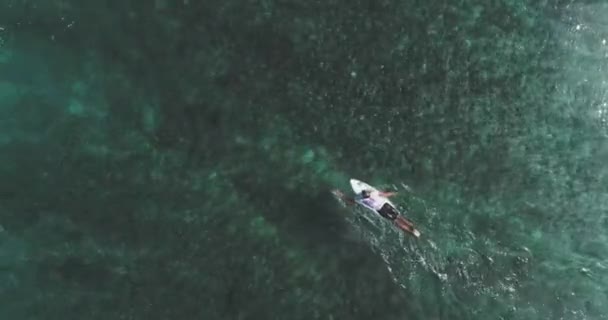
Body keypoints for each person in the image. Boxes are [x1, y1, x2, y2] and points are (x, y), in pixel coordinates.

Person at [332, 188, 418, 236]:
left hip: (381, 210)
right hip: (386, 205)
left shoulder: (359, 199)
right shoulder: (374, 193)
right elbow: (385, 195)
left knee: (395, 221)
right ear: (368, 193)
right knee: (399, 216)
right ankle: (412, 228)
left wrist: (341, 196)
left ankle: (410, 232)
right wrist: (393, 193)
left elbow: (351, 202)